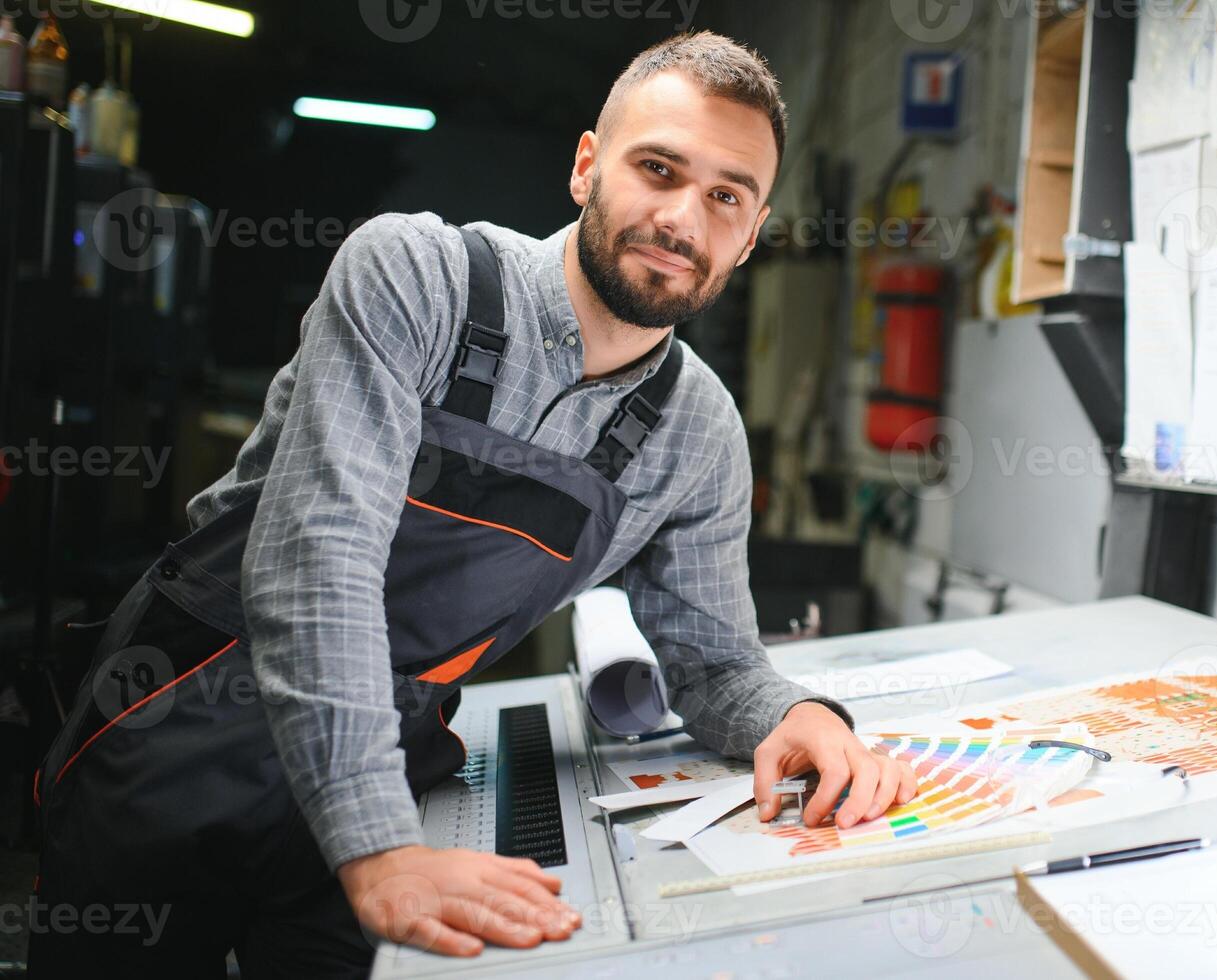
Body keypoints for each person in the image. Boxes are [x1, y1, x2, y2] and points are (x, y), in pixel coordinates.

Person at [30, 29, 917, 977]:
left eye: (724, 196)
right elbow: (313, 566)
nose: (682, 219)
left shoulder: (697, 433)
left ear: (752, 230)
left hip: (390, 765)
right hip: (179, 735)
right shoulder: (416, 277)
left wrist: (800, 715)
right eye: (657, 168)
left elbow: (713, 666)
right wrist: (378, 849)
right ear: (585, 168)